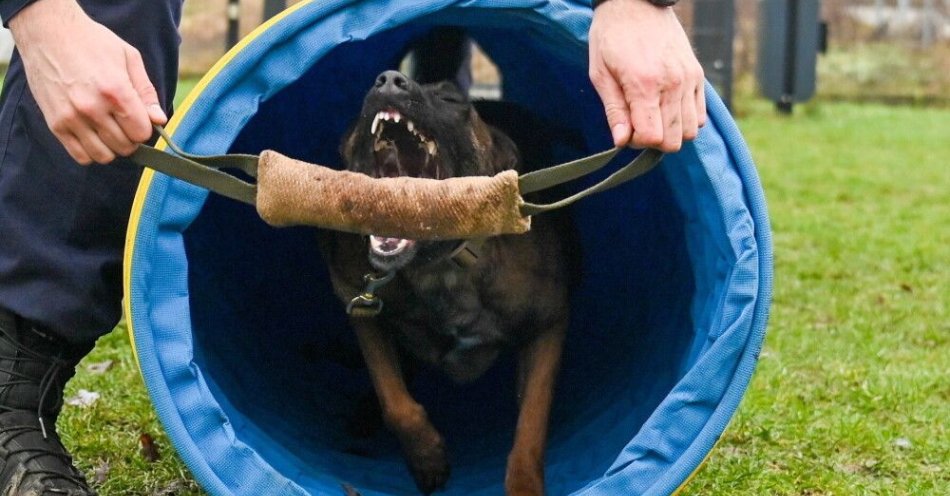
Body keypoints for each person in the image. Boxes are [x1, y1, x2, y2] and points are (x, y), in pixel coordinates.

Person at [0, 0, 703, 493]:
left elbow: (549, 318)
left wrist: (640, 0)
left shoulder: (526, 256)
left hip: (503, 235)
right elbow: (359, 305)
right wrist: (45, 13)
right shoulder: (351, 245)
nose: (387, 84)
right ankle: (14, 388)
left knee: (436, 96)